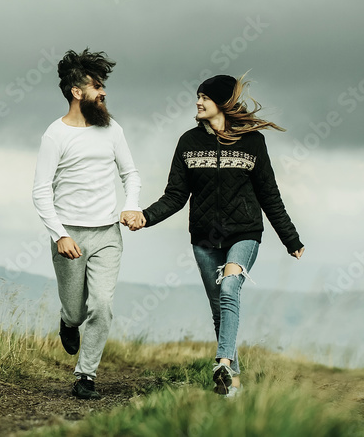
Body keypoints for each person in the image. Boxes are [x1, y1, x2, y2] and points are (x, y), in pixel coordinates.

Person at [121, 74, 304, 398]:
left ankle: (221, 362)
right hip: (205, 239)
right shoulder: (189, 142)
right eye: (198, 96)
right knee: (220, 307)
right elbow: (176, 195)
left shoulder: (252, 143)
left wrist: (291, 239)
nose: (197, 102)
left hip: (244, 233)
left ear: (222, 102)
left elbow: (269, 195)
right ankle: (232, 383)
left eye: (204, 97)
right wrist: (145, 217)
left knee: (230, 288)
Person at [31, 48, 142, 400]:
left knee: (102, 305)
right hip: (70, 235)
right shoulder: (55, 135)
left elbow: (131, 174)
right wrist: (60, 235)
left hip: (108, 233)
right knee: (77, 310)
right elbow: (39, 192)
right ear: (77, 92)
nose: (103, 92)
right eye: (97, 86)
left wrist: (131, 205)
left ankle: (86, 376)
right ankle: (67, 320)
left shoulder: (112, 130)